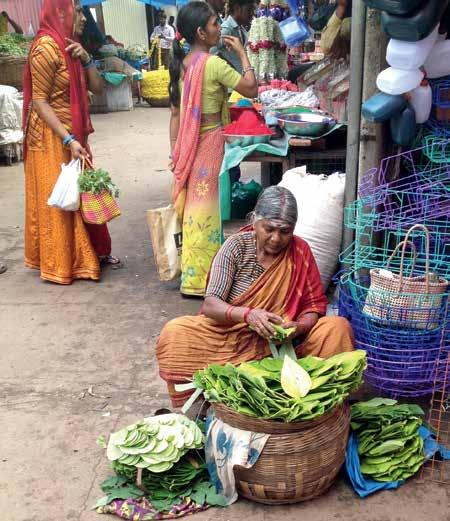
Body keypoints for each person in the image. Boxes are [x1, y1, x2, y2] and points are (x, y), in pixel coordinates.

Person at [156, 186, 354, 407]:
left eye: (285, 231)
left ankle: (321, 402)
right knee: (175, 333)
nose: (276, 238)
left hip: (284, 348)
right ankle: (208, 404)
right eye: (269, 229)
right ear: (254, 221)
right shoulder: (235, 247)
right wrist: (248, 315)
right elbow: (212, 305)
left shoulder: (300, 251)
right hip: (232, 337)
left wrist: (297, 327)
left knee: (336, 328)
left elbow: (313, 306)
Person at [23, 0, 119, 285]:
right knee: (62, 198)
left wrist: (87, 59)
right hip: (52, 136)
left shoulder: (72, 46)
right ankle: (63, 262)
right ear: (61, 11)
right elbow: (39, 101)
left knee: (84, 191)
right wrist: (67, 137)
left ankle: (94, 251)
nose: (82, 17)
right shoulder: (45, 48)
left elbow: (98, 88)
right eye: (77, 10)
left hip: (73, 133)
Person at [168, 1, 257, 297]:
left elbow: (176, 114)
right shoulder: (214, 63)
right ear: (200, 33)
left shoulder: (184, 64)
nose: (219, 28)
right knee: (206, 207)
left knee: (195, 205)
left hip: (189, 141)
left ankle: (194, 273)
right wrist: (242, 54)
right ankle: (204, 279)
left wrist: (174, 150)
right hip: (209, 141)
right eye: (214, 25)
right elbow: (250, 88)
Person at [213, 0, 256, 73]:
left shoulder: (241, 29)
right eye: (249, 9)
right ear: (237, 8)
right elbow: (212, 53)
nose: (251, 13)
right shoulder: (226, 30)